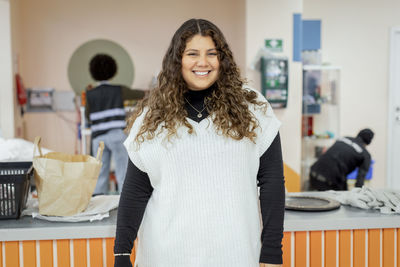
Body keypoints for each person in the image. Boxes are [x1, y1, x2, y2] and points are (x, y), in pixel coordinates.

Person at [114, 19, 285, 267]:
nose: (202, 62)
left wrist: (272, 252)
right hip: (165, 257)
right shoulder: (152, 117)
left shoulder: (254, 109)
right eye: (192, 54)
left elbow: (271, 183)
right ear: (177, 61)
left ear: (222, 60)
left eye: (211, 54)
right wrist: (121, 254)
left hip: (235, 256)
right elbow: (136, 192)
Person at [85, 54, 145, 195]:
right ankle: (123, 201)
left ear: (93, 72)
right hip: (117, 135)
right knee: (123, 170)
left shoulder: (90, 94)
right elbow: (140, 94)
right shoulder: (119, 90)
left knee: (100, 172)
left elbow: (88, 116)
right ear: (113, 71)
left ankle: (99, 201)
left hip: (98, 138)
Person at [309, 128, 374, 191]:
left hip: (313, 174)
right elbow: (360, 180)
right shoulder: (365, 155)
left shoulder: (344, 138)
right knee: (343, 197)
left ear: (358, 134)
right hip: (329, 183)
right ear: (369, 142)